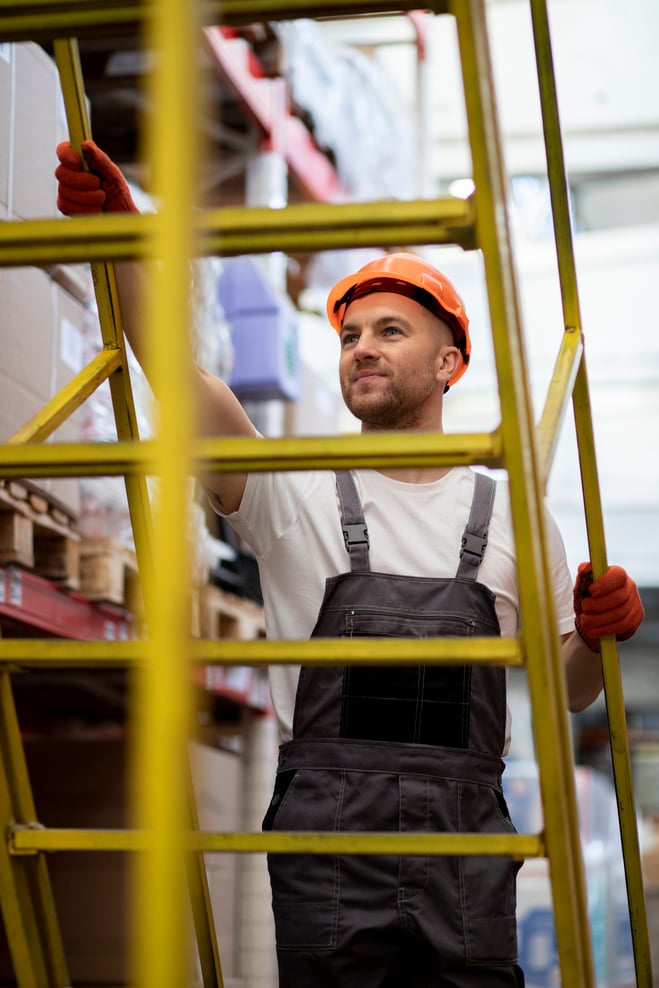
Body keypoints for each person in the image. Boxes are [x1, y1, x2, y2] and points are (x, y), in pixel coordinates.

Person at [56, 141, 644, 988]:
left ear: (448, 364)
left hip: (464, 841)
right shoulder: (293, 491)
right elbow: (185, 389)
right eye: (350, 335)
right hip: (330, 839)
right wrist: (120, 244)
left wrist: (593, 635)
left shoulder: (513, 510)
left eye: (390, 331)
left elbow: (567, 692)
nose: (361, 348)